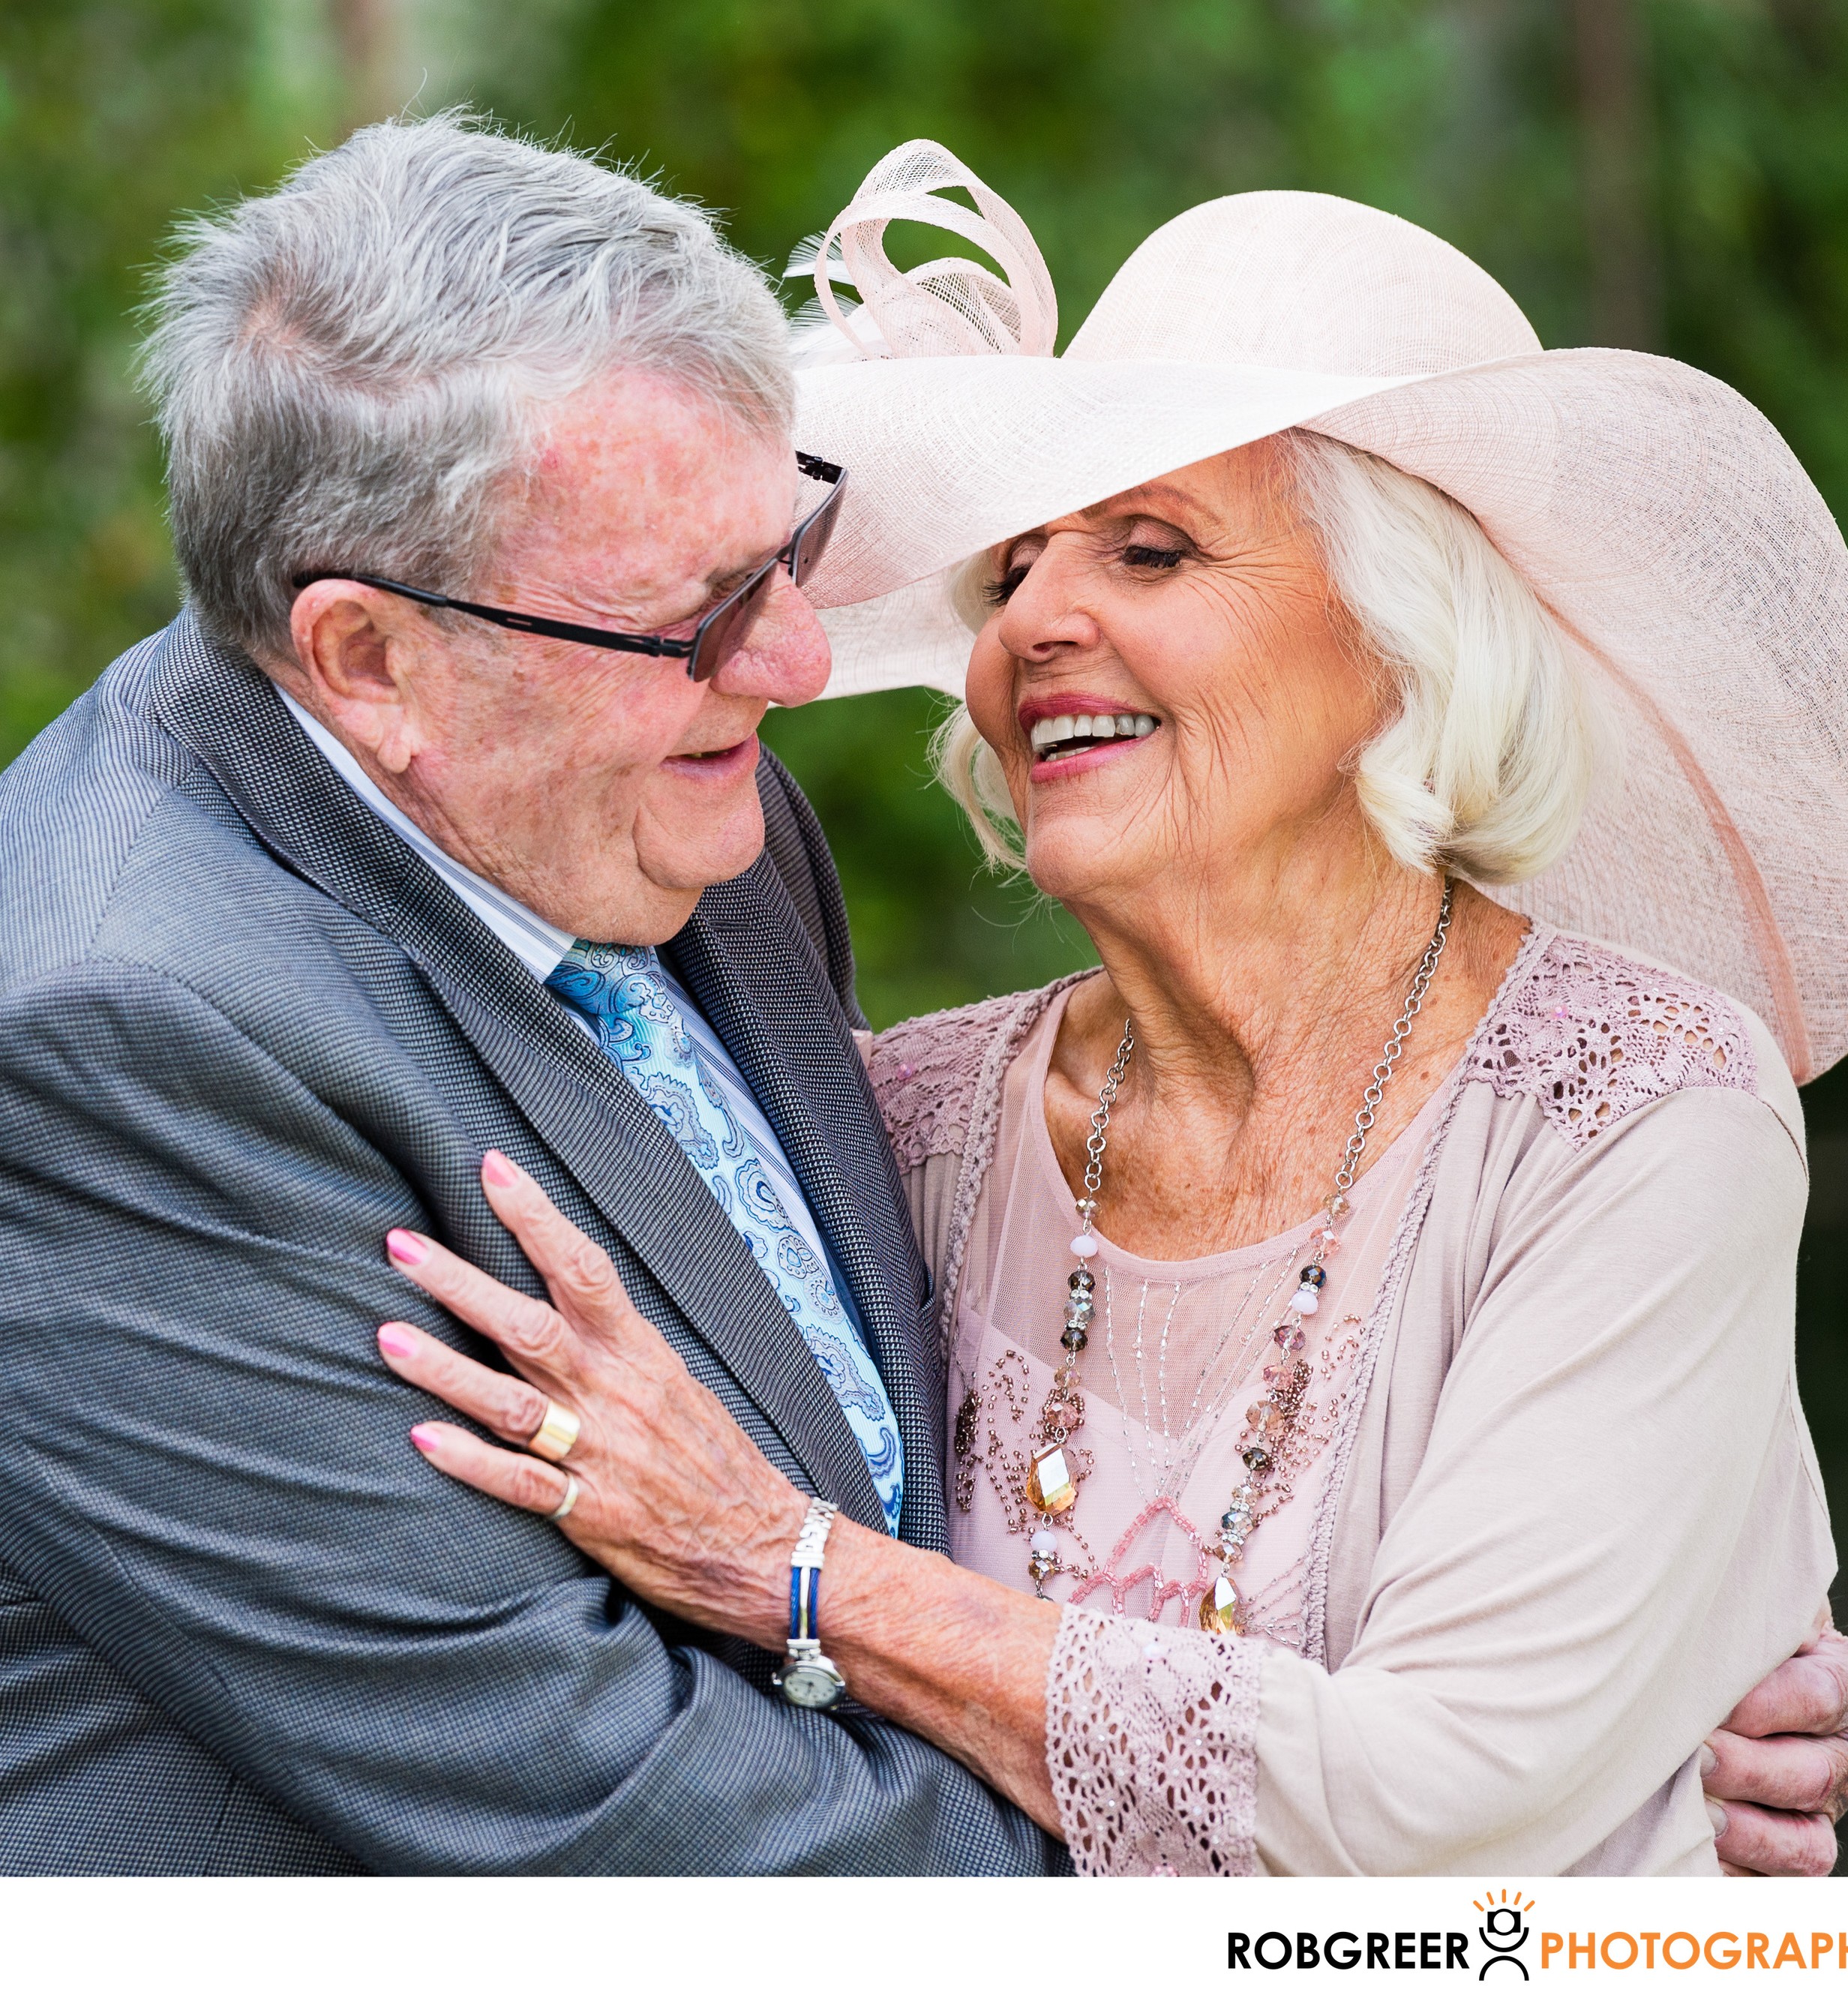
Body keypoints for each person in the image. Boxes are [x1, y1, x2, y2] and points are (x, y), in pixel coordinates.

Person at [376, 144, 1848, 1875]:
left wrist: (797, 1568)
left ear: (1400, 649)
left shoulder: (1633, 1116)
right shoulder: (910, 1122)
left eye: (1153, 550)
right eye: (1012, 566)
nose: (1034, 617)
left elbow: (1431, 1807)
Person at [0, 116, 1063, 1874]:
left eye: (783, 546)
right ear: (370, 658)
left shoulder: (659, 787)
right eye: (700, 612)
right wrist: (1273, 1865)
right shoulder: (117, 1044)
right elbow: (601, 1802)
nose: (795, 665)